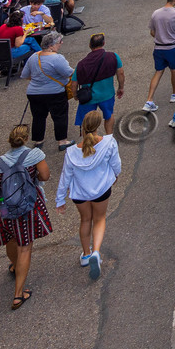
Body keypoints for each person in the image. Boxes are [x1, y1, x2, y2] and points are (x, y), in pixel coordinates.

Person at [0, 125, 50, 310]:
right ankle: (18, 294)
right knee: (25, 248)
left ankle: (15, 266)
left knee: (10, 239)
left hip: (6, 210)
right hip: (27, 209)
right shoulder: (34, 156)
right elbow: (46, 176)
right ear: (25, 139)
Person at [58, 109, 121, 280]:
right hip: (101, 190)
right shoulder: (109, 143)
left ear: (83, 128)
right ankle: (96, 252)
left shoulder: (71, 152)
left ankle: (86, 254)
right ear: (98, 126)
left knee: (85, 220)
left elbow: (65, 176)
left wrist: (60, 199)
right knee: (99, 219)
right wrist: (115, 176)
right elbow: (116, 164)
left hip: (79, 193)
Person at [21, 33, 75, 152]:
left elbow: (25, 75)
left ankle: (38, 140)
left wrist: (38, 80)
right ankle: (62, 141)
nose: (61, 44)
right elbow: (69, 73)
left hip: (34, 92)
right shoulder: (57, 58)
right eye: (59, 42)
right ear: (51, 45)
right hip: (55, 92)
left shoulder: (34, 57)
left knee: (38, 116)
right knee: (60, 116)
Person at [144, 0, 175, 112]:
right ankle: (174, 93)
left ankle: (149, 100)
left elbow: (152, 32)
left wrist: (160, 37)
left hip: (158, 47)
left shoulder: (156, 13)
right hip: (172, 47)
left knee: (158, 72)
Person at [74, 33, 124, 131]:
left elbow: (74, 83)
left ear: (90, 45)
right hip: (107, 95)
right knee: (109, 116)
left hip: (88, 97)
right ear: (104, 43)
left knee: (88, 120)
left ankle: (90, 140)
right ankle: (109, 138)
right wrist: (121, 88)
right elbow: (121, 73)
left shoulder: (81, 64)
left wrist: (75, 95)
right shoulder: (113, 56)